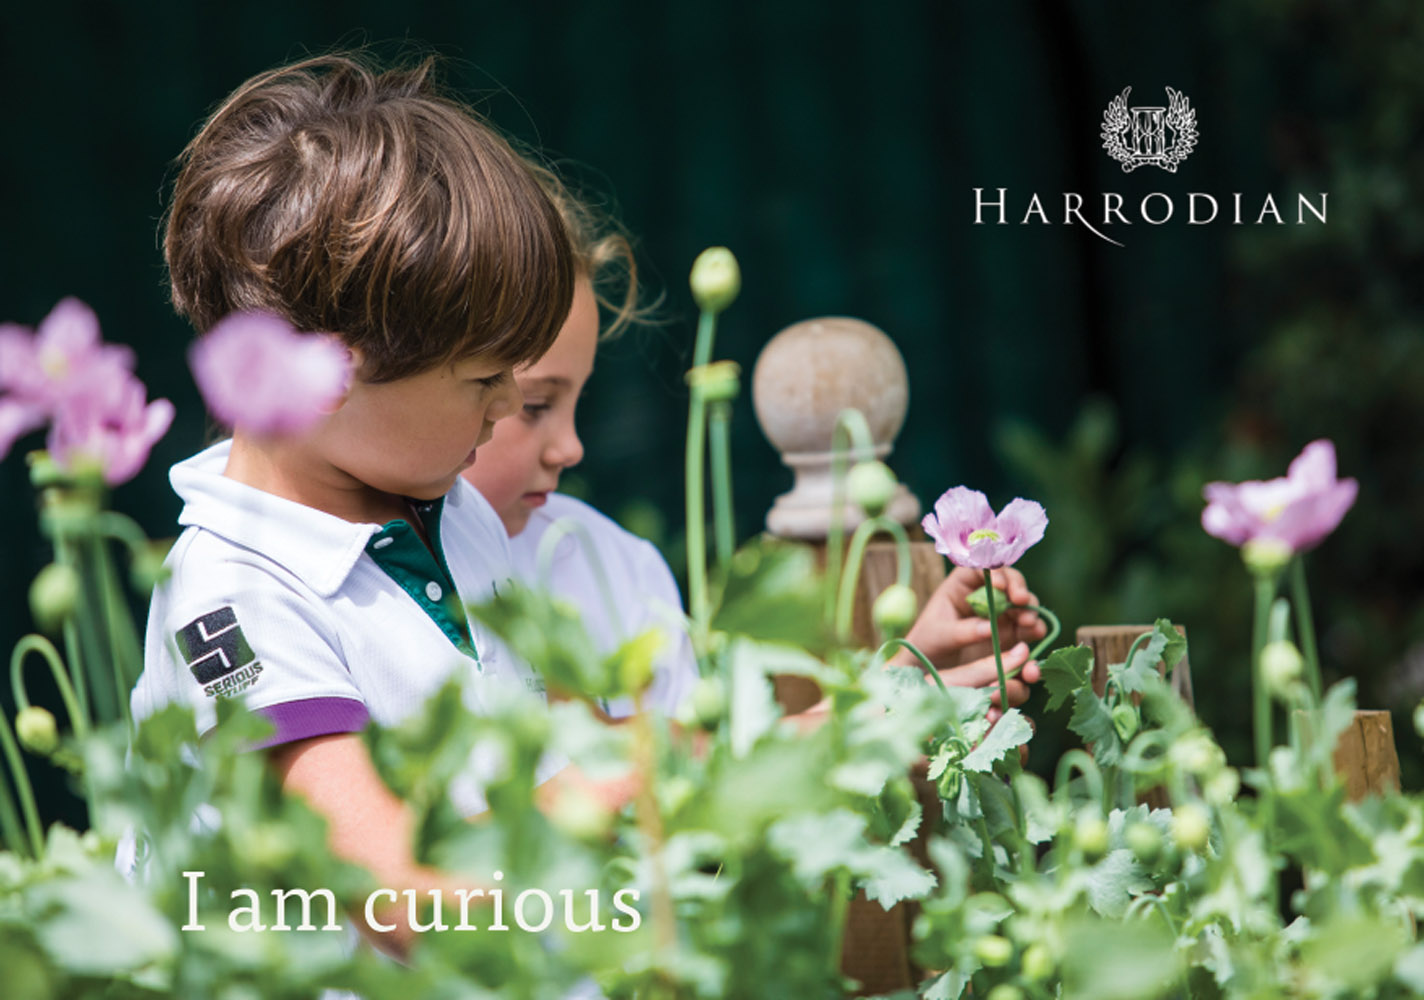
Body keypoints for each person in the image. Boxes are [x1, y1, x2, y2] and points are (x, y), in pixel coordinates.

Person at [130, 53, 626, 956]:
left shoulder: (439, 504)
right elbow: (394, 899)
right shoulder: (230, 601)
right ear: (324, 375)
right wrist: (631, 785)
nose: (510, 405)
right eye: (484, 376)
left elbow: (552, 743)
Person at [460, 171, 1046, 723]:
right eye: (537, 406)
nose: (570, 447)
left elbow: (708, 788)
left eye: (577, 402)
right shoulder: (379, 582)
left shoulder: (615, 564)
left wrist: (907, 670)